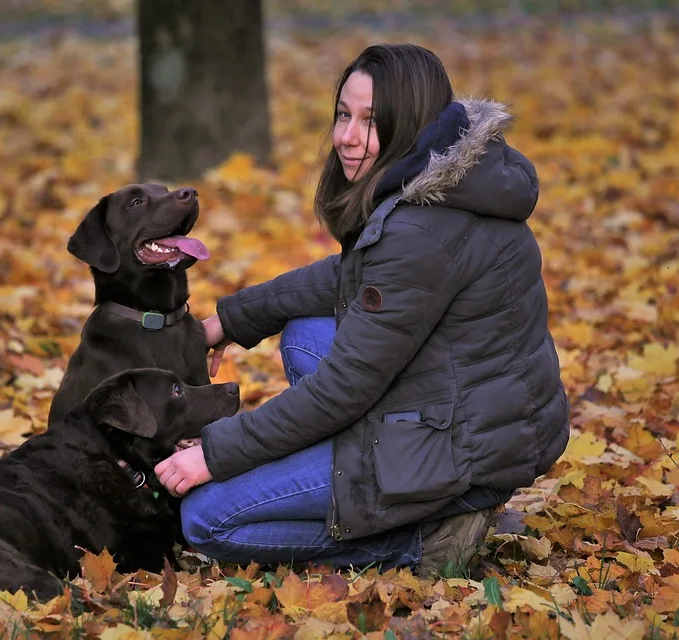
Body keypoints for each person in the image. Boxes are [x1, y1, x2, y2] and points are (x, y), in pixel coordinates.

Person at [154, 43, 570, 576]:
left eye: (371, 123)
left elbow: (341, 392)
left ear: (412, 123)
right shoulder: (452, 182)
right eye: (343, 115)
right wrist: (230, 321)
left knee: (208, 518)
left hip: (463, 447)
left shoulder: (420, 232)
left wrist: (212, 453)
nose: (347, 138)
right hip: (481, 413)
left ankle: (424, 541)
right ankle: (383, 493)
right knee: (304, 334)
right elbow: (348, 278)